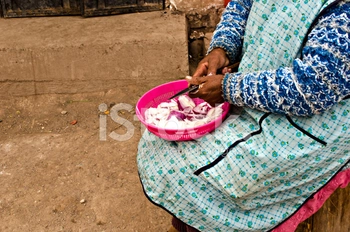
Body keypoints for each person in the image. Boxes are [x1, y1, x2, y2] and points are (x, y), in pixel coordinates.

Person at [137, 0, 350, 231]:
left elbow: (313, 87)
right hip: (255, 91)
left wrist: (229, 88)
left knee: (196, 174)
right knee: (159, 144)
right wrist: (222, 49)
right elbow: (241, 5)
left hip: (309, 124)